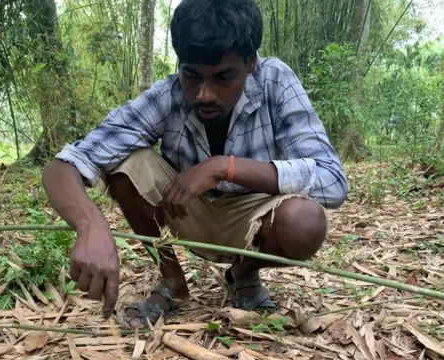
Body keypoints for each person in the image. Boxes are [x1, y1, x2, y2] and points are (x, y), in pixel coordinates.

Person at [42, 0, 348, 328]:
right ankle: (172, 283)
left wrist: (223, 167)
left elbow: (332, 181)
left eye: (223, 78)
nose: (204, 94)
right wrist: (91, 225)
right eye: (192, 76)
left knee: (304, 221)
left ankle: (243, 274)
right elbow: (64, 166)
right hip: (185, 210)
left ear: (250, 63)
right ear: (181, 65)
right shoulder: (168, 94)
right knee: (124, 164)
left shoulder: (275, 81)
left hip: (254, 217)